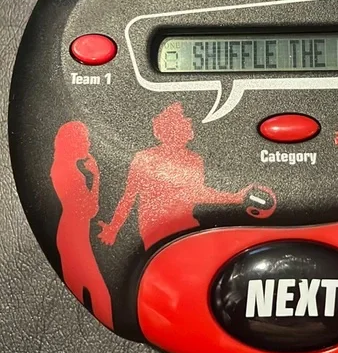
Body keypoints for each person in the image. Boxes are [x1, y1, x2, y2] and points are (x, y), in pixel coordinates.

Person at [98, 102, 252, 250]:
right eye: (184, 120)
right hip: (157, 229)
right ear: (170, 128)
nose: (189, 124)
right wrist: (113, 229)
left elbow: (196, 193)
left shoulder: (194, 159)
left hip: (187, 225)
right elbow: (128, 197)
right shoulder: (145, 158)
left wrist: (235, 198)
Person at [51, 121, 113, 329]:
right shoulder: (71, 173)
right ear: (73, 142)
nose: (88, 143)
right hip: (74, 236)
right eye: (85, 139)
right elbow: (90, 210)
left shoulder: (65, 169)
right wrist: (96, 176)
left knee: (91, 291)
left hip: (73, 234)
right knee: (99, 292)